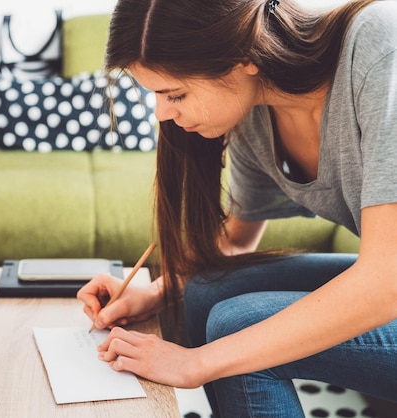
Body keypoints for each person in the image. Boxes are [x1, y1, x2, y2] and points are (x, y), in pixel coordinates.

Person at [76, 0, 397, 416]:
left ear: (243, 57)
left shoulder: (378, 46)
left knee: (236, 325)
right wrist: (155, 293)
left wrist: (196, 364)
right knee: (204, 288)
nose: (162, 113)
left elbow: (385, 281)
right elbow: (237, 243)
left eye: (175, 93)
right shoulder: (255, 117)